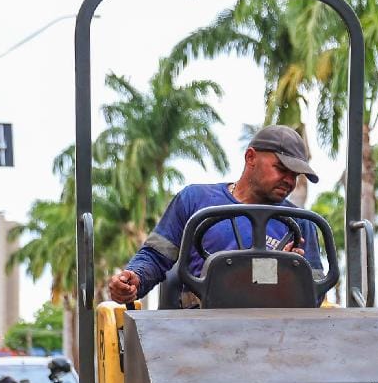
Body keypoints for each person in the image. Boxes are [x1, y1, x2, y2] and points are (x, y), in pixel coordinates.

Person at [106, 125, 324, 304]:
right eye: (281, 168)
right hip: (199, 330)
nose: (289, 180)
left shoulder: (301, 222)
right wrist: (134, 277)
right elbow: (155, 256)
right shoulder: (195, 200)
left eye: (295, 175)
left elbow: (316, 292)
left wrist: (292, 274)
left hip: (273, 334)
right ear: (251, 158)